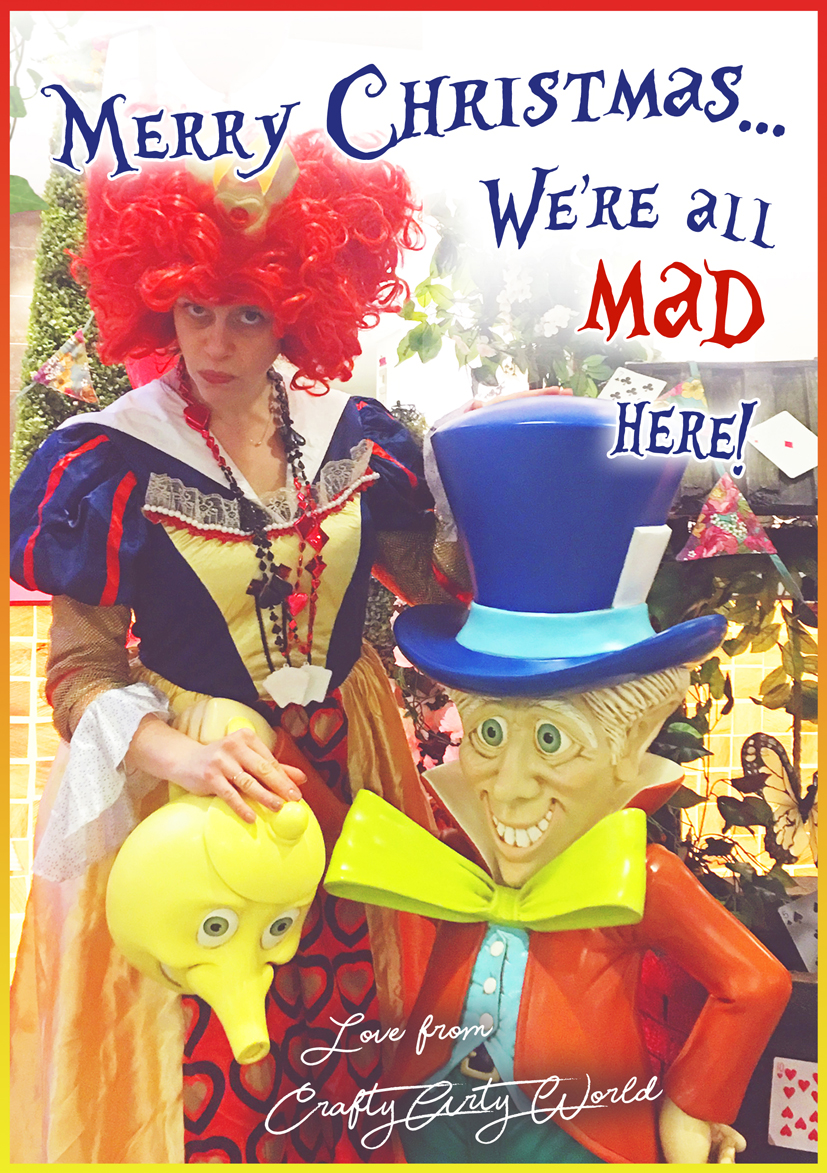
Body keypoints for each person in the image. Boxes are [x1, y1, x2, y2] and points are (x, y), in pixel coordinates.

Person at [9, 131, 460, 1163]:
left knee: (350, 1021)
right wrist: (181, 755)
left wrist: (508, 502)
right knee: (213, 1055)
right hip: (191, 787)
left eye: (248, 312)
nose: (213, 342)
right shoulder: (111, 458)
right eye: (193, 309)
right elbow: (79, 671)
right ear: (156, 299)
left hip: (350, 761)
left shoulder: (355, 434)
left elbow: (434, 584)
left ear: (298, 305)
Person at [325, 396, 792, 1163]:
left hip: (573, 1132)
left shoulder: (635, 877)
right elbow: (338, 841)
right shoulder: (459, 850)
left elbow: (753, 982)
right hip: (429, 1115)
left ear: (628, 743)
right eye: (488, 734)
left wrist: (691, 1102)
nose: (508, 785)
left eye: (550, 739)